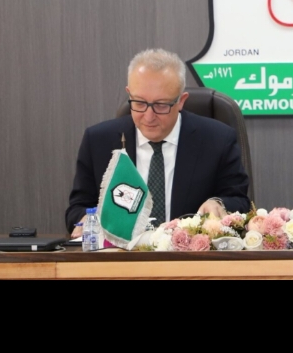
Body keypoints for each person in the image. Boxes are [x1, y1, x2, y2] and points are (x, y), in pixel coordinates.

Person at [66, 49, 251, 235]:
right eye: (139, 103)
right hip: (121, 252)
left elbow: (239, 201)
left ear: (181, 101)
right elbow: (77, 208)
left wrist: (218, 204)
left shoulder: (217, 139)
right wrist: (88, 219)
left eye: (161, 105)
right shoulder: (98, 141)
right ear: (129, 94)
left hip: (189, 251)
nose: (149, 116)